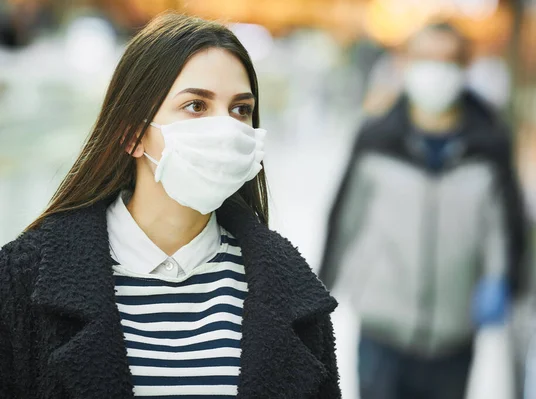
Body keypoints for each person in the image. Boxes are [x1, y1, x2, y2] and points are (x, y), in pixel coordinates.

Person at [0, 14, 340, 399]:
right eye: (196, 105)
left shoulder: (291, 288)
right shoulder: (24, 279)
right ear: (131, 134)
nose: (226, 129)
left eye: (240, 109)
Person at [319, 22, 528, 399]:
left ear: (465, 68)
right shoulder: (376, 139)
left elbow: (506, 226)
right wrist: (319, 295)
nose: (437, 71)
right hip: (382, 327)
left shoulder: (489, 145)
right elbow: (344, 218)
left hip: (454, 333)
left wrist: (506, 282)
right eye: (427, 58)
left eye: (448, 60)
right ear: (406, 64)